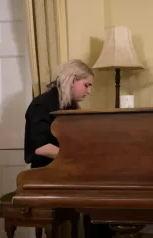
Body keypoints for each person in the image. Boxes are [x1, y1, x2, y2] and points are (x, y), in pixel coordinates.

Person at [24, 59, 114, 238]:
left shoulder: (68, 105)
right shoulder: (41, 105)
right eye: (86, 85)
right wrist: (77, 159)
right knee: (98, 189)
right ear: (72, 79)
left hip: (64, 169)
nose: (89, 91)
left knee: (105, 184)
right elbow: (41, 148)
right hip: (45, 172)